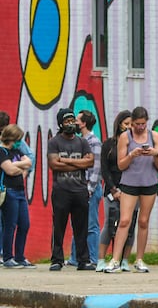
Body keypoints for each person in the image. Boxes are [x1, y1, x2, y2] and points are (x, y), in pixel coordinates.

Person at [104, 106, 158, 273]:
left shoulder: (155, 136)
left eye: (143, 124)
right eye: (137, 124)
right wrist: (132, 154)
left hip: (149, 182)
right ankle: (115, 259)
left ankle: (139, 259)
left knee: (143, 221)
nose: (140, 127)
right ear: (132, 124)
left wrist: (155, 154)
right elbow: (121, 164)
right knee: (124, 221)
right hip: (130, 183)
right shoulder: (125, 137)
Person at [47, 108, 95, 271]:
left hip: (80, 190)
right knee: (59, 226)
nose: (71, 123)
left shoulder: (82, 142)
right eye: (67, 121)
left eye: (72, 120)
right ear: (61, 123)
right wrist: (78, 162)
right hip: (61, 190)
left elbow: (90, 162)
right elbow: (54, 165)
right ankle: (57, 260)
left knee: (81, 227)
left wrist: (65, 160)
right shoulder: (54, 142)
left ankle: (84, 260)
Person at [96, 110, 137, 272]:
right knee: (109, 223)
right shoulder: (109, 144)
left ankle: (124, 260)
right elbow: (104, 169)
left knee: (130, 224)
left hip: (131, 189)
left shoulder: (134, 144)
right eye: (126, 124)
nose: (128, 127)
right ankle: (101, 259)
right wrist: (113, 189)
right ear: (119, 124)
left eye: (131, 124)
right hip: (113, 189)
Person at [67, 110, 102, 267]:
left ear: (84, 123)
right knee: (78, 222)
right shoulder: (80, 141)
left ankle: (93, 258)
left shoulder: (93, 141)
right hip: (80, 187)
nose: (75, 122)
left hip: (90, 187)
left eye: (77, 120)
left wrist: (90, 188)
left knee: (92, 224)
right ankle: (76, 257)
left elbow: (96, 167)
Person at [0, 124, 34, 268]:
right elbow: (9, 170)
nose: (20, 142)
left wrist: (18, 166)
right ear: (11, 138)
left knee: (24, 224)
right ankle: (8, 257)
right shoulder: (2, 151)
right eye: (18, 139)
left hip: (20, 191)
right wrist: (21, 166)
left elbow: (29, 162)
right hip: (9, 191)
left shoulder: (17, 150)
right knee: (10, 224)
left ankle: (20, 256)